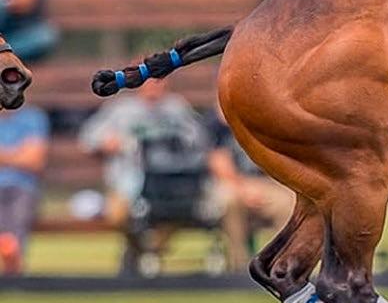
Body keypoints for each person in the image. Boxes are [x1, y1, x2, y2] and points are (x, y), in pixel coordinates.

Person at [79, 76, 212, 267]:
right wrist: (109, 143)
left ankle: (149, 253)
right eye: (147, 81)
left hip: (170, 183)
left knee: (180, 211)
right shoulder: (121, 109)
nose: (152, 86)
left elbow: (201, 140)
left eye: (157, 80)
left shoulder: (176, 108)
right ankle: (138, 249)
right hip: (128, 180)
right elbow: (88, 139)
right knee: (117, 215)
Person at [207, 104, 291, 270]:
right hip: (231, 184)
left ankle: (282, 266)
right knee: (229, 200)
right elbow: (218, 162)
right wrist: (243, 188)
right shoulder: (218, 127)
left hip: (263, 183)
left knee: (288, 201)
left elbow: (275, 161)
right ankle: (240, 266)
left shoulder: (262, 123)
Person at [0, 101, 50, 274]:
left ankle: (12, 266)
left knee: (18, 217)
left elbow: (35, 161)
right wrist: (18, 155)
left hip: (23, 188)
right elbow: (27, 158)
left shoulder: (32, 117)